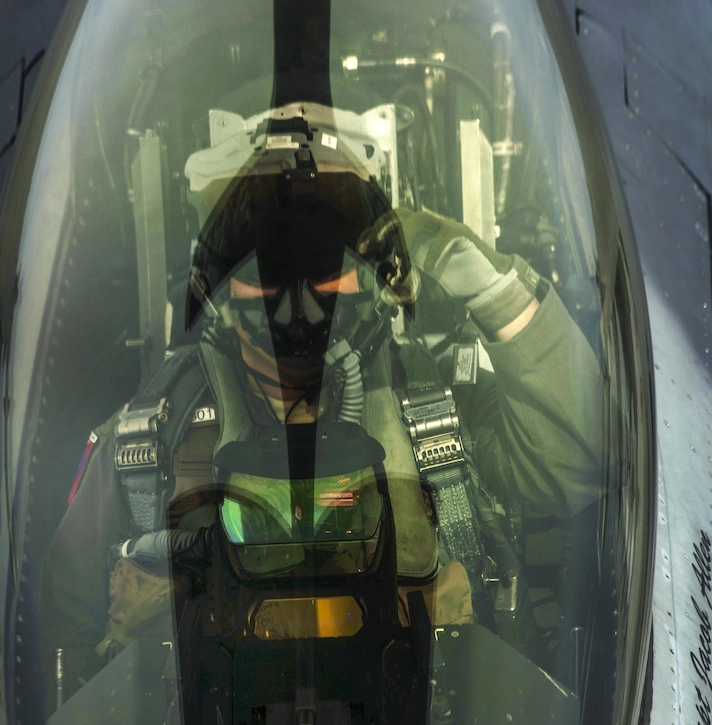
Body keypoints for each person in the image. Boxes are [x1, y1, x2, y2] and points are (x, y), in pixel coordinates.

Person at [39, 105, 604, 709]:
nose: (298, 304)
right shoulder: (147, 442)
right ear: (222, 286)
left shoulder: (436, 407)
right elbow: (63, 641)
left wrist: (490, 287)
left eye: (323, 257)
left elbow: (579, 459)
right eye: (268, 263)